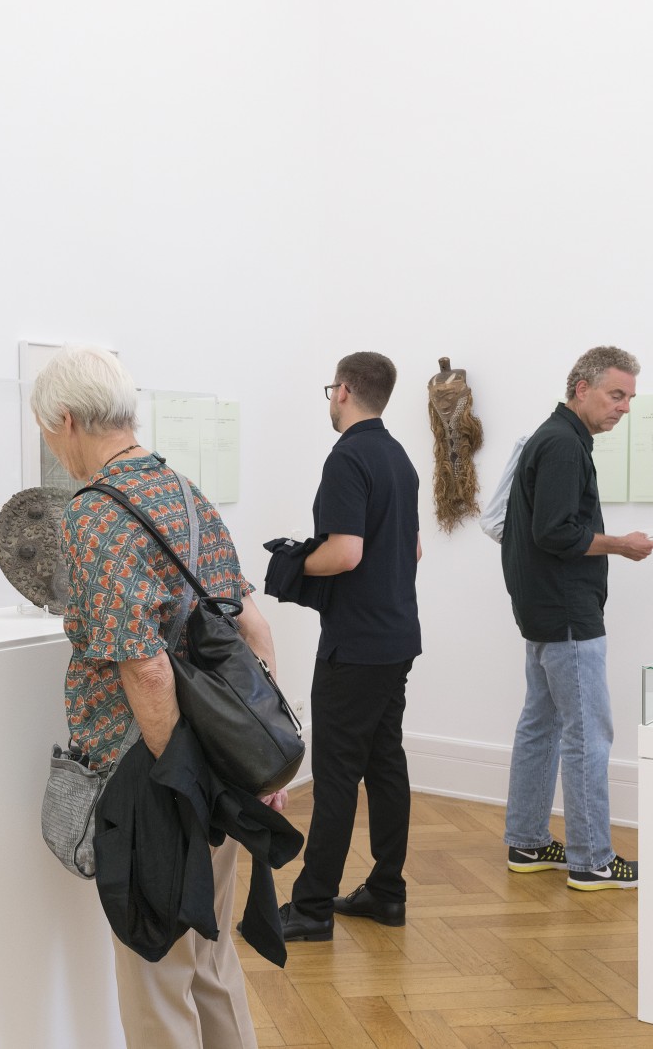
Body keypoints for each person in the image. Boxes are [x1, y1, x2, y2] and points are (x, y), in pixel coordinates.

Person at [32, 345, 280, 1049]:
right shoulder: (184, 492)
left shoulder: (94, 516)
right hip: (219, 767)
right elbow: (253, 625)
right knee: (209, 958)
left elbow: (144, 670)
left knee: (157, 972)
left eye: (50, 435)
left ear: (70, 421)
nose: (56, 451)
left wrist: (182, 789)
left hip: (152, 779)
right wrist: (255, 761)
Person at [276, 352, 422, 942]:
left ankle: (311, 908)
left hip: (355, 644)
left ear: (342, 391)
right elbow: (411, 551)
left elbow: (346, 553)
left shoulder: (348, 456)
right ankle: (387, 892)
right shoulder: (399, 458)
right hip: (396, 637)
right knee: (385, 765)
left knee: (336, 774)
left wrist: (292, 561)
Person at [500, 345, 653, 891]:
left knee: (540, 726)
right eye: (617, 394)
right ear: (581, 387)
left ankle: (527, 840)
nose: (624, 407)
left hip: (543, 610)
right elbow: (555, 532)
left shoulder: (553, 438)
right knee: (588, 733)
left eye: (630, 398)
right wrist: (622, 544)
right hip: (566, 614)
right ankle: (591, 858)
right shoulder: (564, 445)